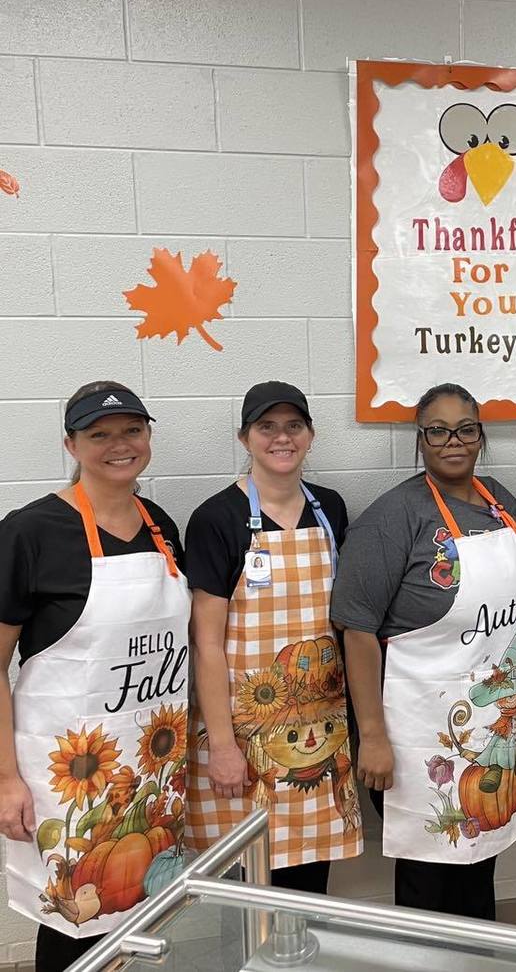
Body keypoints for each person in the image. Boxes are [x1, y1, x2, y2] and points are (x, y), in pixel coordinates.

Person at [332, 383, 516, 920]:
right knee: (431, 881)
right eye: (437, 430)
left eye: (466, 429)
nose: (453, 441)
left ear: (480, 436)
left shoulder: (502, 500)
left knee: (482, 857)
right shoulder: (394, 517)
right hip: (421, 739)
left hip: (499, 731)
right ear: (420, 438)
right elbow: (356, 631)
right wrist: (375, 738)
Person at [0, 382, 190, 972]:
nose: (119, 445)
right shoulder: (30, 532)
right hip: (68, 775)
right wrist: (6, 778)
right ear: (71, 444)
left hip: (150, 772)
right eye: (98, 434)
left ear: (149, 437)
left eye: (131, 430)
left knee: (142, 917)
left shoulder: (160, 525)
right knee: (74, 916)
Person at [185, 381, 361, 892]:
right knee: (250, 886)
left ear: (310, 435)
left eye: (293, 426)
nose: (281, 438)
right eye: (267, 427)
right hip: (245, 735)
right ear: (245, 438)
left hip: (320, 733)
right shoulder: (217, 519)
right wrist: (222, 746)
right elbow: (207, 643)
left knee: (310, 885)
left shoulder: (330, 510)